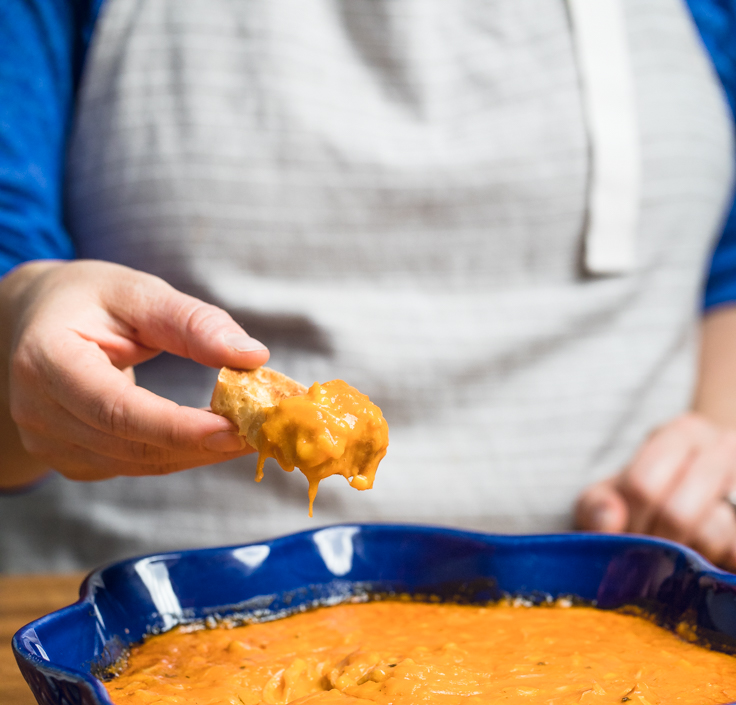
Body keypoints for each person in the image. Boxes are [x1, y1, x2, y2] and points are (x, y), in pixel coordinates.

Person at [2, 0, 736, 573]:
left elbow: (722, 268)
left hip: (620, 625)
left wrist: (720, 441)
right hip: (135, 632)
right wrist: (25, 334)